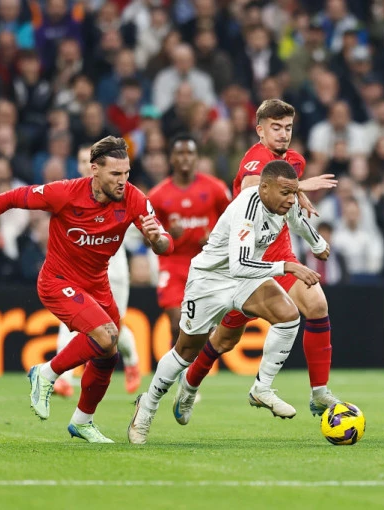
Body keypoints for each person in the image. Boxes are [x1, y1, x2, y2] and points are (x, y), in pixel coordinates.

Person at [0, 136, 173, 443]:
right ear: (94, 170)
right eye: (115, 174)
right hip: (58, 282)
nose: (123, 181)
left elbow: (165, 244)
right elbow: (9, 198)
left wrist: (156, 239)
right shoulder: (65, 193)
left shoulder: (134, 198)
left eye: (126, 173)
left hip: (98, 285)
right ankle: (45, 373)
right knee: (108, 335)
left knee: (108, 354)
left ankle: (82, 421)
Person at [128, 160, 328, 444]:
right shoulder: (247, 209)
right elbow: (239, 264)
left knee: (288, 315)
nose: (290, 199)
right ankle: (147, 406)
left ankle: (262, 389)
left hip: (246, 279)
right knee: (185, 352)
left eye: (293, 193)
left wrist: (318, 244)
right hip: (210, 281)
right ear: (264, 188)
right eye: (285, 193)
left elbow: (297, 220)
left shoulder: (285, 202)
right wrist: (287, 266)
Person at [174, 99, 340, 421]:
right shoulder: (255, 159)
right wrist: (299, 186)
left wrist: (312, 234)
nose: (283, 134)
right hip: (248, 260)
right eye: (275, 128)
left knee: (317, 305)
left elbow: (287, 205)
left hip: (282, 253)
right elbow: (253, 188)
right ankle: (190, 384)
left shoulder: (294, 161)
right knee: (225, 340)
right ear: (260, 131)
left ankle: (318, 392)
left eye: (288, 127)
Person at [53, 146, 142, 398]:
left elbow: (139, 227)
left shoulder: (120, 192)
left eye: (88, 160)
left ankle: (132, 360)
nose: (85, 165)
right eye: (82, 160)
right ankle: (63, 379)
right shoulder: (71, 194)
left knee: (114, 328)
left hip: (114, 271)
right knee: (70, 322)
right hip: (78, 271)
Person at [148, 134, 231, 344]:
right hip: (173, 264)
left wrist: (216, 238)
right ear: (171, 158)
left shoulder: (216, 188)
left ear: (196, 158)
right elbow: (146, 238)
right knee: (177, 324)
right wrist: (165, 234)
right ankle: (176, 364)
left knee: (206, 327)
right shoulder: (157, 195)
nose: (185, 158)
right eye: (180, 153)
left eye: (190, 153)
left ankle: (196, 365)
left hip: (207, 265)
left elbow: (234, 221)